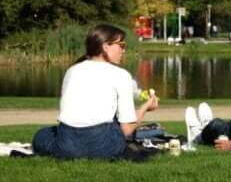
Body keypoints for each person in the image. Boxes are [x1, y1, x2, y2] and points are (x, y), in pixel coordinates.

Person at [31, 25, 159, 160]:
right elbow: (126, 129)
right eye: (121, 45)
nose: (123, 50)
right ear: (105, 46)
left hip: (67, 146)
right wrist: (146, 107)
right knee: (114, 128)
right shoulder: (121, 75)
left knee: (42, 135)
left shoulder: (72, 71)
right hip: (104, 147)